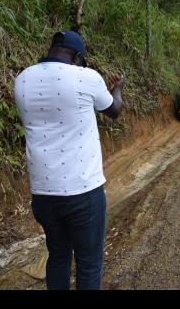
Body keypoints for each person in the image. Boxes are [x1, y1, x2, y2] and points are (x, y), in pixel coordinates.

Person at [14, 30, 124, 290]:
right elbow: (114, 110)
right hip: (83, 192)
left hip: (43, 194)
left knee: (58, 256)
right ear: (77, 57)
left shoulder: (23, 79)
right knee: (88, 262)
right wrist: (117, 89)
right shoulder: (85, 77)